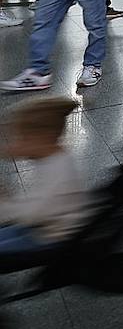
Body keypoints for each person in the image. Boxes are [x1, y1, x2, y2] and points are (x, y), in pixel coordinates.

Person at [0, 97, 88, 254]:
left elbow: (31, 215)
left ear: (42, 139)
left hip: (54, 237)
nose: (16, 143)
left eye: (21, 138)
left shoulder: (58, 173)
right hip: (45, 224)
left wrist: (4, 202)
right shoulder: (55, 155)